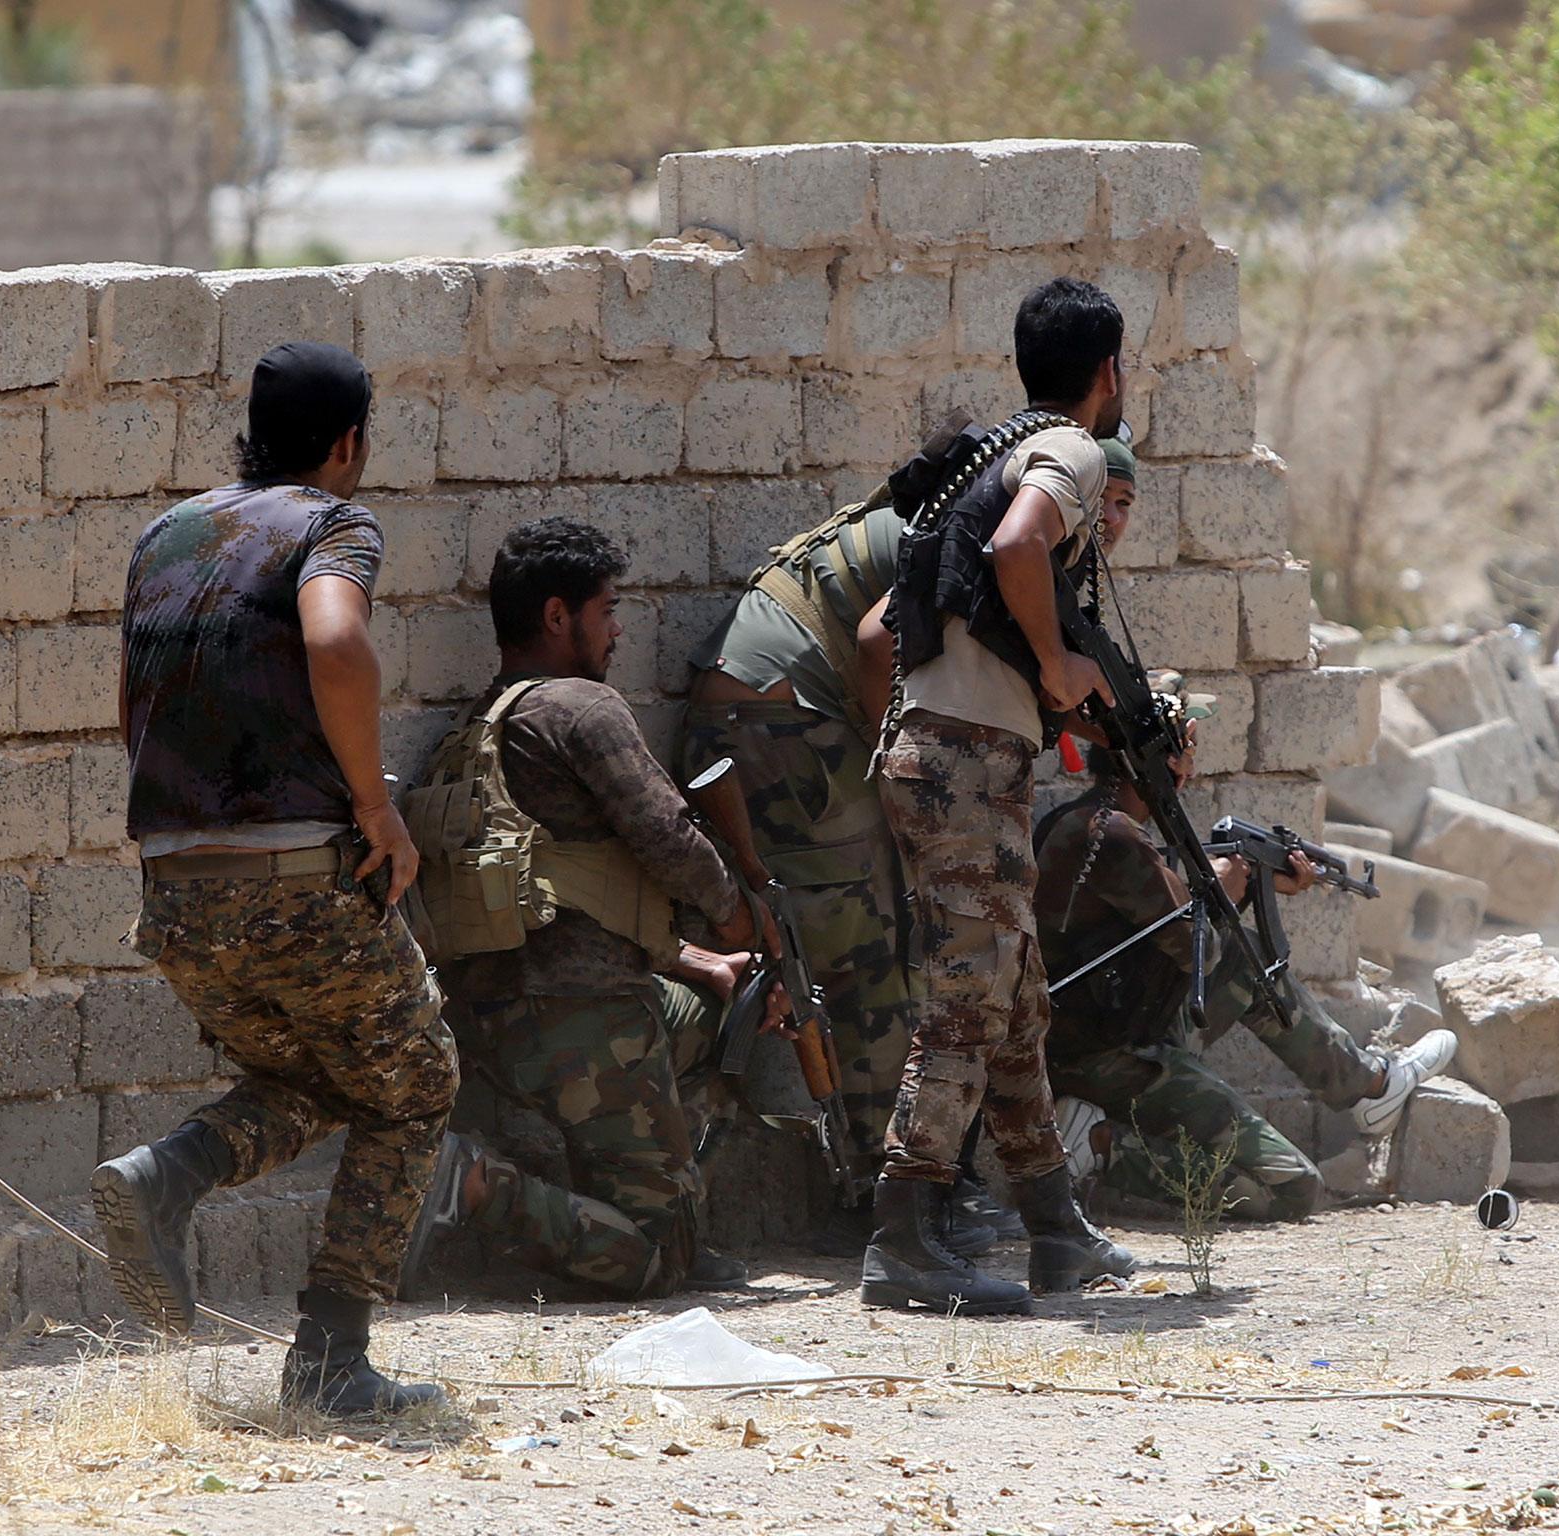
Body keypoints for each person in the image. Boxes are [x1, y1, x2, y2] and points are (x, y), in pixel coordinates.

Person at [95, 340, 456, 1416]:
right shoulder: (331, 521)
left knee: (322, 1079)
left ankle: (169, 1174)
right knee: (419, 1082)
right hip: (296, 883)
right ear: (347, 444)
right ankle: (331, 1361)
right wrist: (378, 810)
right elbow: (336, 645)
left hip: (174, 889)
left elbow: (131, 699)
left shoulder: (169, 532)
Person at [858, 277, 1139, 1314]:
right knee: (966, 1010)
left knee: (1014, 1002)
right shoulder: (1066, 450)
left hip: (930, 754)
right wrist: (1055, 659)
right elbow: (1020, 547)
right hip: (968, 761)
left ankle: (1053, 1230)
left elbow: (877, 631)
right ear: (1107, 372)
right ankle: (903, 1234)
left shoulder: (975, 458)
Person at [398, 518, 770, 1300]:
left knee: (710, 1014)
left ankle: (655, 1196)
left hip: (498, 1014)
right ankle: (473, 1185)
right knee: (657, 1264)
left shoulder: (483, 724)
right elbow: (667, 838)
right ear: (558, 617)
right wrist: (738, 917)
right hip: (581, 1014)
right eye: (607, 611)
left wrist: (698, 958)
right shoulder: (581, 710)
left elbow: (557, 885)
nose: (619, 630)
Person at [678, 480, 999, 1256]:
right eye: (1110, 503)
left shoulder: (947, 508)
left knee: (828, 952)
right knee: (868, 962)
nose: (1114, 522)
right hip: (784, 722)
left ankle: (883, 1180)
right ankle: (890, 1199)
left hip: (756, 711)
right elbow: (880, 642)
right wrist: (897, 763)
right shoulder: (987, 531)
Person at [1036, 709, 1458, 1221]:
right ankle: (1101, 1148)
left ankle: (1368, 1085)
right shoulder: (1115, 838)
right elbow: (1200, 950)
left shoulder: (1081, 822)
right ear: (1162, 763)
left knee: (1247, 954)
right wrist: (1224, 891)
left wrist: (1246, 887)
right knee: (1294, 1190)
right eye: (1184, 755)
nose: (1189, 769)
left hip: (1110, 1027)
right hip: (1113, 1059)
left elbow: (1163, 941)